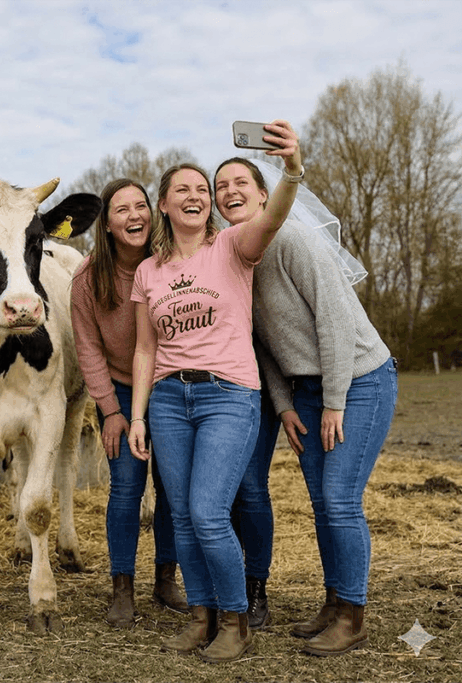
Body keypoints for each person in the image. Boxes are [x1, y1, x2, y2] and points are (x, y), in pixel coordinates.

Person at [127, 120, 303, 663]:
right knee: (181, 515)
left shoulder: (230, 245)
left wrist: (292, 170)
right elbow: (144, 350)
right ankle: (200, 617)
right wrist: (137, 417)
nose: (197, 195)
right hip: (167, 401)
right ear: (163, 205)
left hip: (228, 395)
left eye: (202, 189)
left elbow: (273, 216)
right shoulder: (148, 272)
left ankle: (235, 620)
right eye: (183, 189)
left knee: (207, 513)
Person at [213, 157, 397, 656]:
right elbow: (262, 344)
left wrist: (334, 402)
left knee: (340, 499)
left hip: (360, 379)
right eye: (221, 185)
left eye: (240, 182)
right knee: (322, 503)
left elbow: (335, 320)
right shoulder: (235, 260)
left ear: (263, 194)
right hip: (306, 392)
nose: (229, 191)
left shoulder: (292, 239)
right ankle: (334, 603)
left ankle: (353, 617)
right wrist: (285, 406)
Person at [70, 178, 187, 628]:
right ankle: (122, 588)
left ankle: (166, 578)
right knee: (125, 487)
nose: (135, 215)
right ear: (106, 223)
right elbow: (88, 350)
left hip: (168, 385)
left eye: (141, 206)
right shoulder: (87, 278)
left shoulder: (169, 262)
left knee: (172, 487)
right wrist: (111, 411)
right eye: (122, 210)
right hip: (119, 389)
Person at [229, 338, 281, 630]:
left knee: (251, 486)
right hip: (217, 381)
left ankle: (256, 591)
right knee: (227, 490)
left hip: (258, 381)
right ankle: (231, 586)